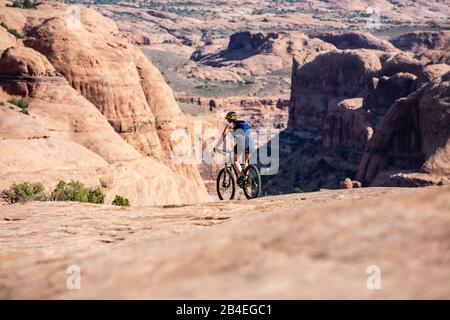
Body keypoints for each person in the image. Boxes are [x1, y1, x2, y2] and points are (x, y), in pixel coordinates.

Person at [212, 111, 254, 187]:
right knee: (245, 162)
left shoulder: (230, 124)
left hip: (242, 143)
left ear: (229, 119)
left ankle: (242, 176)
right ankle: (247, 179)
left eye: (227, 119)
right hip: (251, 142)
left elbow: (224, 135)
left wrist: (217, 146)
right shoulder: (243, 123)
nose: (227, 120)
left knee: (234, 161)